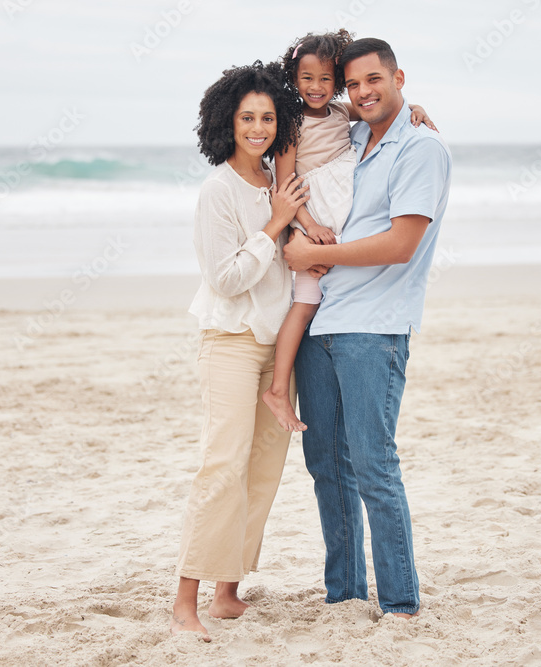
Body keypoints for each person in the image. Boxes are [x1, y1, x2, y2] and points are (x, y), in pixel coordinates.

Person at [282, 38, 452, 618]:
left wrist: (308, 256)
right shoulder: (355, 135)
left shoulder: (421, 149)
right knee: (326, 466)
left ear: (398, 76)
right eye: (353, 84)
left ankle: (401, 604)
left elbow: (402, 245)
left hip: (372, 329)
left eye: (374, 80)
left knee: (373, 466)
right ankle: (346, 596)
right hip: (319, 322)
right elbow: (318, 112)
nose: (362, 92)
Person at [170, 60, 309, 641]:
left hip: (278, 348)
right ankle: (186, 600)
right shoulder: (219, 189)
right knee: (221, 466)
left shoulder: (280, 180)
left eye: (268, 117)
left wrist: (416, 111)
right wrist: (274, 225)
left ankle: (229, 592)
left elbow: (342, 118)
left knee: (262, 470)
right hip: (229, 340)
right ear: (227, 121)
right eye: (247, 117)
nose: (258, 128)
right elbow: (225, 279)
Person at [261, 30, 436, 433]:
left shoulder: (343, 113)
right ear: (294, 78)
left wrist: (417, 108)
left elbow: (385, 110)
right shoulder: (290, 124)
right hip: (310, 225)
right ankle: (277, 388)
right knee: (304, 305)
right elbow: (284, 187)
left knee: (319, 300)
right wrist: (307, 229)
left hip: (334, 232)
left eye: (326, 79)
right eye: (307, 79)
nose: (316, 87)